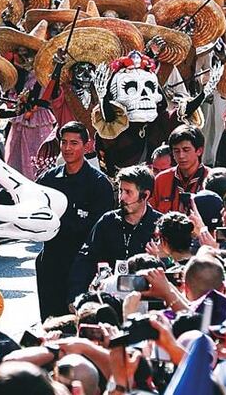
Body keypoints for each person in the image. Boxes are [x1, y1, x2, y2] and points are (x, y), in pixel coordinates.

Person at [34, 122, 114, 319]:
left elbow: (100, 230)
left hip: (82, 263)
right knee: (51, 322)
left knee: (81, 320)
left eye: (74, 143)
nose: (67, 148)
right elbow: (27, 201)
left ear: (86, 146)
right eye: (64, 142)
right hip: (51, 260)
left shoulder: (99, 184)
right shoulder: (49, 179)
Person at [72, 166, 160, 297]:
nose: (122, 197)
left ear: (145, 195)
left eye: (128, 192)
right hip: (108, 296)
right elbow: (85, 259)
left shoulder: (159, 225)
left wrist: (160, 259)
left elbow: (175, 265)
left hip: (146, 298)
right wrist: (76, 295)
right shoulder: (108, 221)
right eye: (120, 191)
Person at [151, 125, 211, 213]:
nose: (181, 156)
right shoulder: (161, 180)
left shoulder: (211, 179)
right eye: (176, 151)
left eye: (186, 150)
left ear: (199, 151)